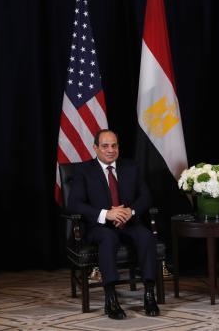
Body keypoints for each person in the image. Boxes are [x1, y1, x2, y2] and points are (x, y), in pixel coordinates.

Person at [68, 129, 159, 319]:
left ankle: (149, 294)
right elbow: (74, 203)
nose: (110, 150)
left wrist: (130, 211)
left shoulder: (131, 167)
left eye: (114, 145)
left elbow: (146, 196)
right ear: (95, 148)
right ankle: (111, 299)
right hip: (99, 227)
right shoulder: (83, 170)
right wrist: (106, 214)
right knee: (108, 238)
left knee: (146, 236)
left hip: (129, 223)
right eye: (105, 146)